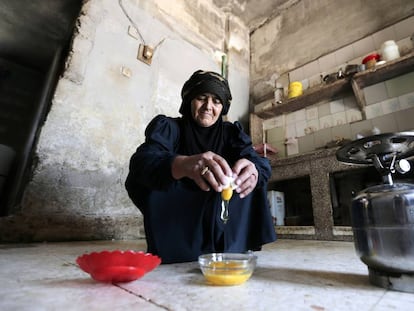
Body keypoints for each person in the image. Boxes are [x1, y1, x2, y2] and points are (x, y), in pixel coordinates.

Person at [125, 70, 276, 263]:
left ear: (223, 107)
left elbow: (255, 159)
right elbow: (141, 161)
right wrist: (182, 164)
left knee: (252, 173)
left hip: (221, 207)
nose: (208, 107)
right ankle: (180, 248)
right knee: (152, 174)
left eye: (216, 101)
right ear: (189, 100)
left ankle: (233, 245)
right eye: (201, 98)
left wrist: (254, 168)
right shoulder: (170, 128)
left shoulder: (231, 133)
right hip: (181, 209)